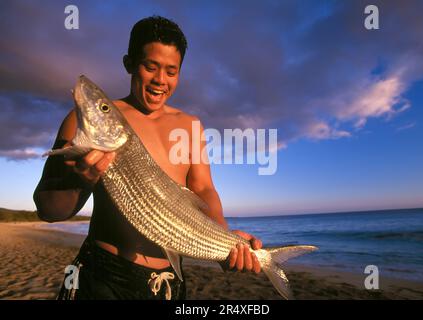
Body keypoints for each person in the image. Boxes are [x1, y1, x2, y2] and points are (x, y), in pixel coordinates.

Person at [33, 15, 262, 300]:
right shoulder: (86, 122)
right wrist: (80, 180)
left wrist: (225, 244)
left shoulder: (190, 126)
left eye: (171, 71)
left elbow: (203, 190)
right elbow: (49, 210)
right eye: (150, 67)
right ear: (129, 64)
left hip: (169, 280)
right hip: (103, 275)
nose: (160, 80)